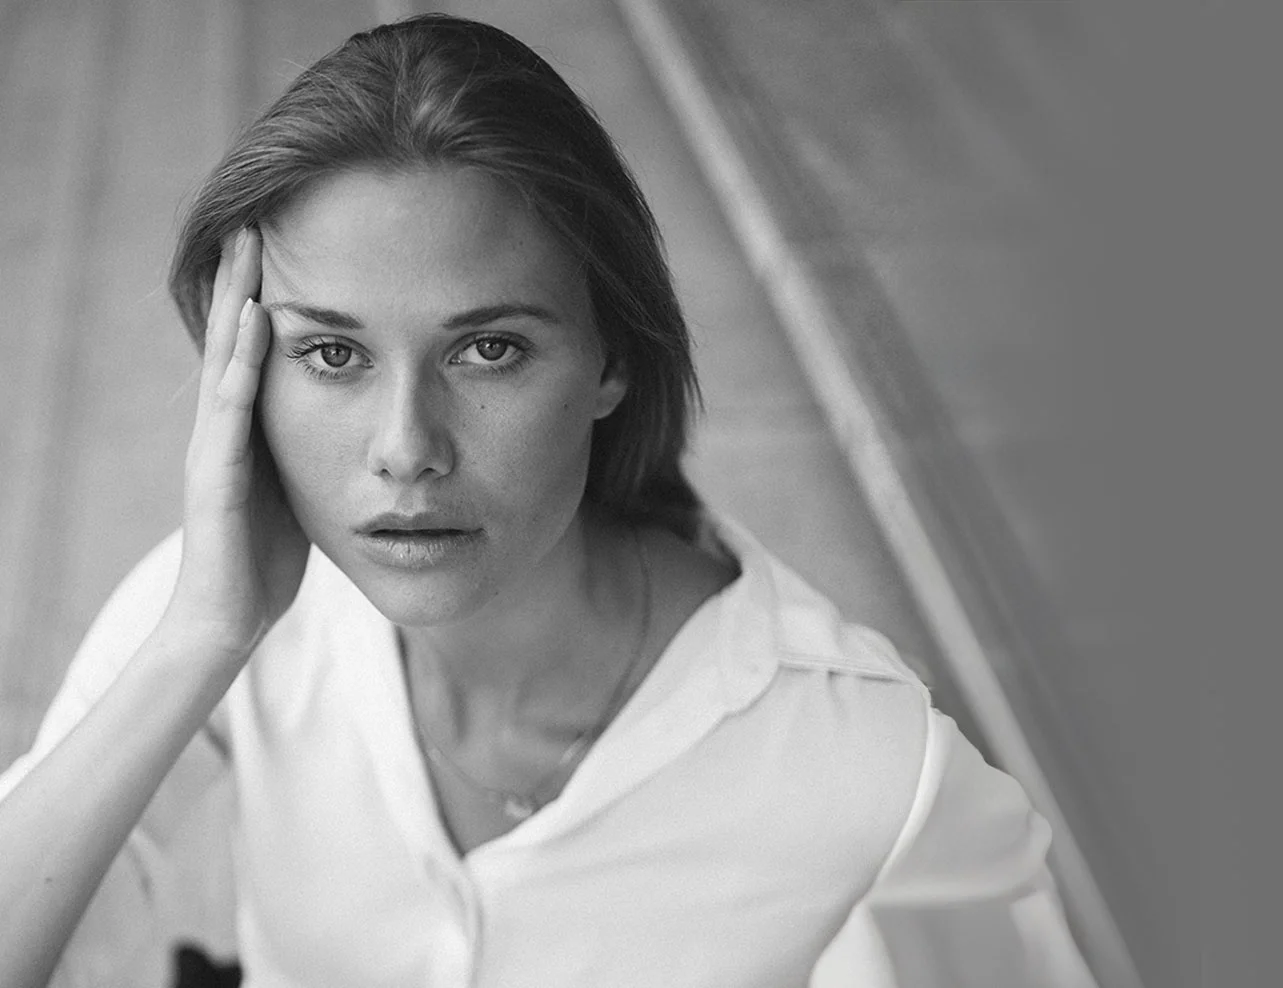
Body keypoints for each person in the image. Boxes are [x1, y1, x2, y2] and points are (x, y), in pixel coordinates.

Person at [0, 14, 1098, 988]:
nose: (405, 450)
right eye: (333, 352)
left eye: (488, 348)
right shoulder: (216, 614)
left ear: (612, 358)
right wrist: (201, 639)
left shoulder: (865, 758)